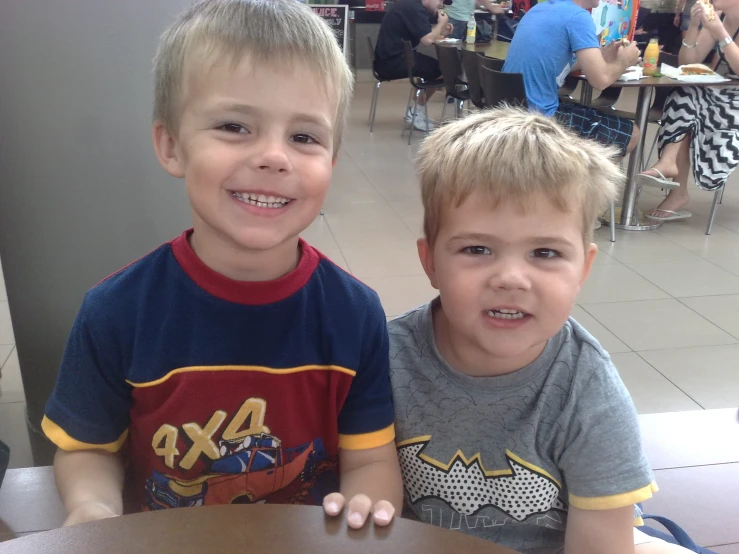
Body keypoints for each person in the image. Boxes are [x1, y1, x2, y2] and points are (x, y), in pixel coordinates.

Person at [41, 0, 402, 529]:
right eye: (235, 126)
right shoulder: (116, 310)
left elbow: (370, 458)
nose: (274, 156)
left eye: (304, 137)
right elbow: (87, 450)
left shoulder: (355, 312)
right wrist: (92, 507)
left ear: (333, 160)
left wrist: (367, 503)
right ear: (171, 146)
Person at [389, 108, 693, 554]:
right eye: (477, 248)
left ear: (583, 268)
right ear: (430, 261)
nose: (511, 278)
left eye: (545, 253)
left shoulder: (588, 395)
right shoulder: (385, 357)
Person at [637, 0, 739, 222]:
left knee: (689, 102)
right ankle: (672, 173)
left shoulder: (720, 24)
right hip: (715, 92)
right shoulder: (720, 18)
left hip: (735, 100)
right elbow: (687, 62)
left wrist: (720, 33)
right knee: (685, 95)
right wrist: (694, 26)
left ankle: (674, 182)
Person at [502, 0, 642, 159]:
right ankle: (572, 181)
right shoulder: (578, 17)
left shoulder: (538, 9)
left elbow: (554, 61)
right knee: (631, 134)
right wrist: (625, 60)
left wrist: (599, 57)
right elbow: (601, 81)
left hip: (510, 111)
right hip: (539, 119)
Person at [374, 0, 454, 131]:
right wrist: (441, 24)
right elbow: (427, 40)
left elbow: (425, 35)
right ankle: (416, 112)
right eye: (440, 1)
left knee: (432, 68)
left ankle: (416, 110)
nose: (441, 5)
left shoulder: (411, 5)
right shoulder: (414, 8)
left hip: (391, 58)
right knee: (442, 69)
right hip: (392, 62)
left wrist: (441, 31)